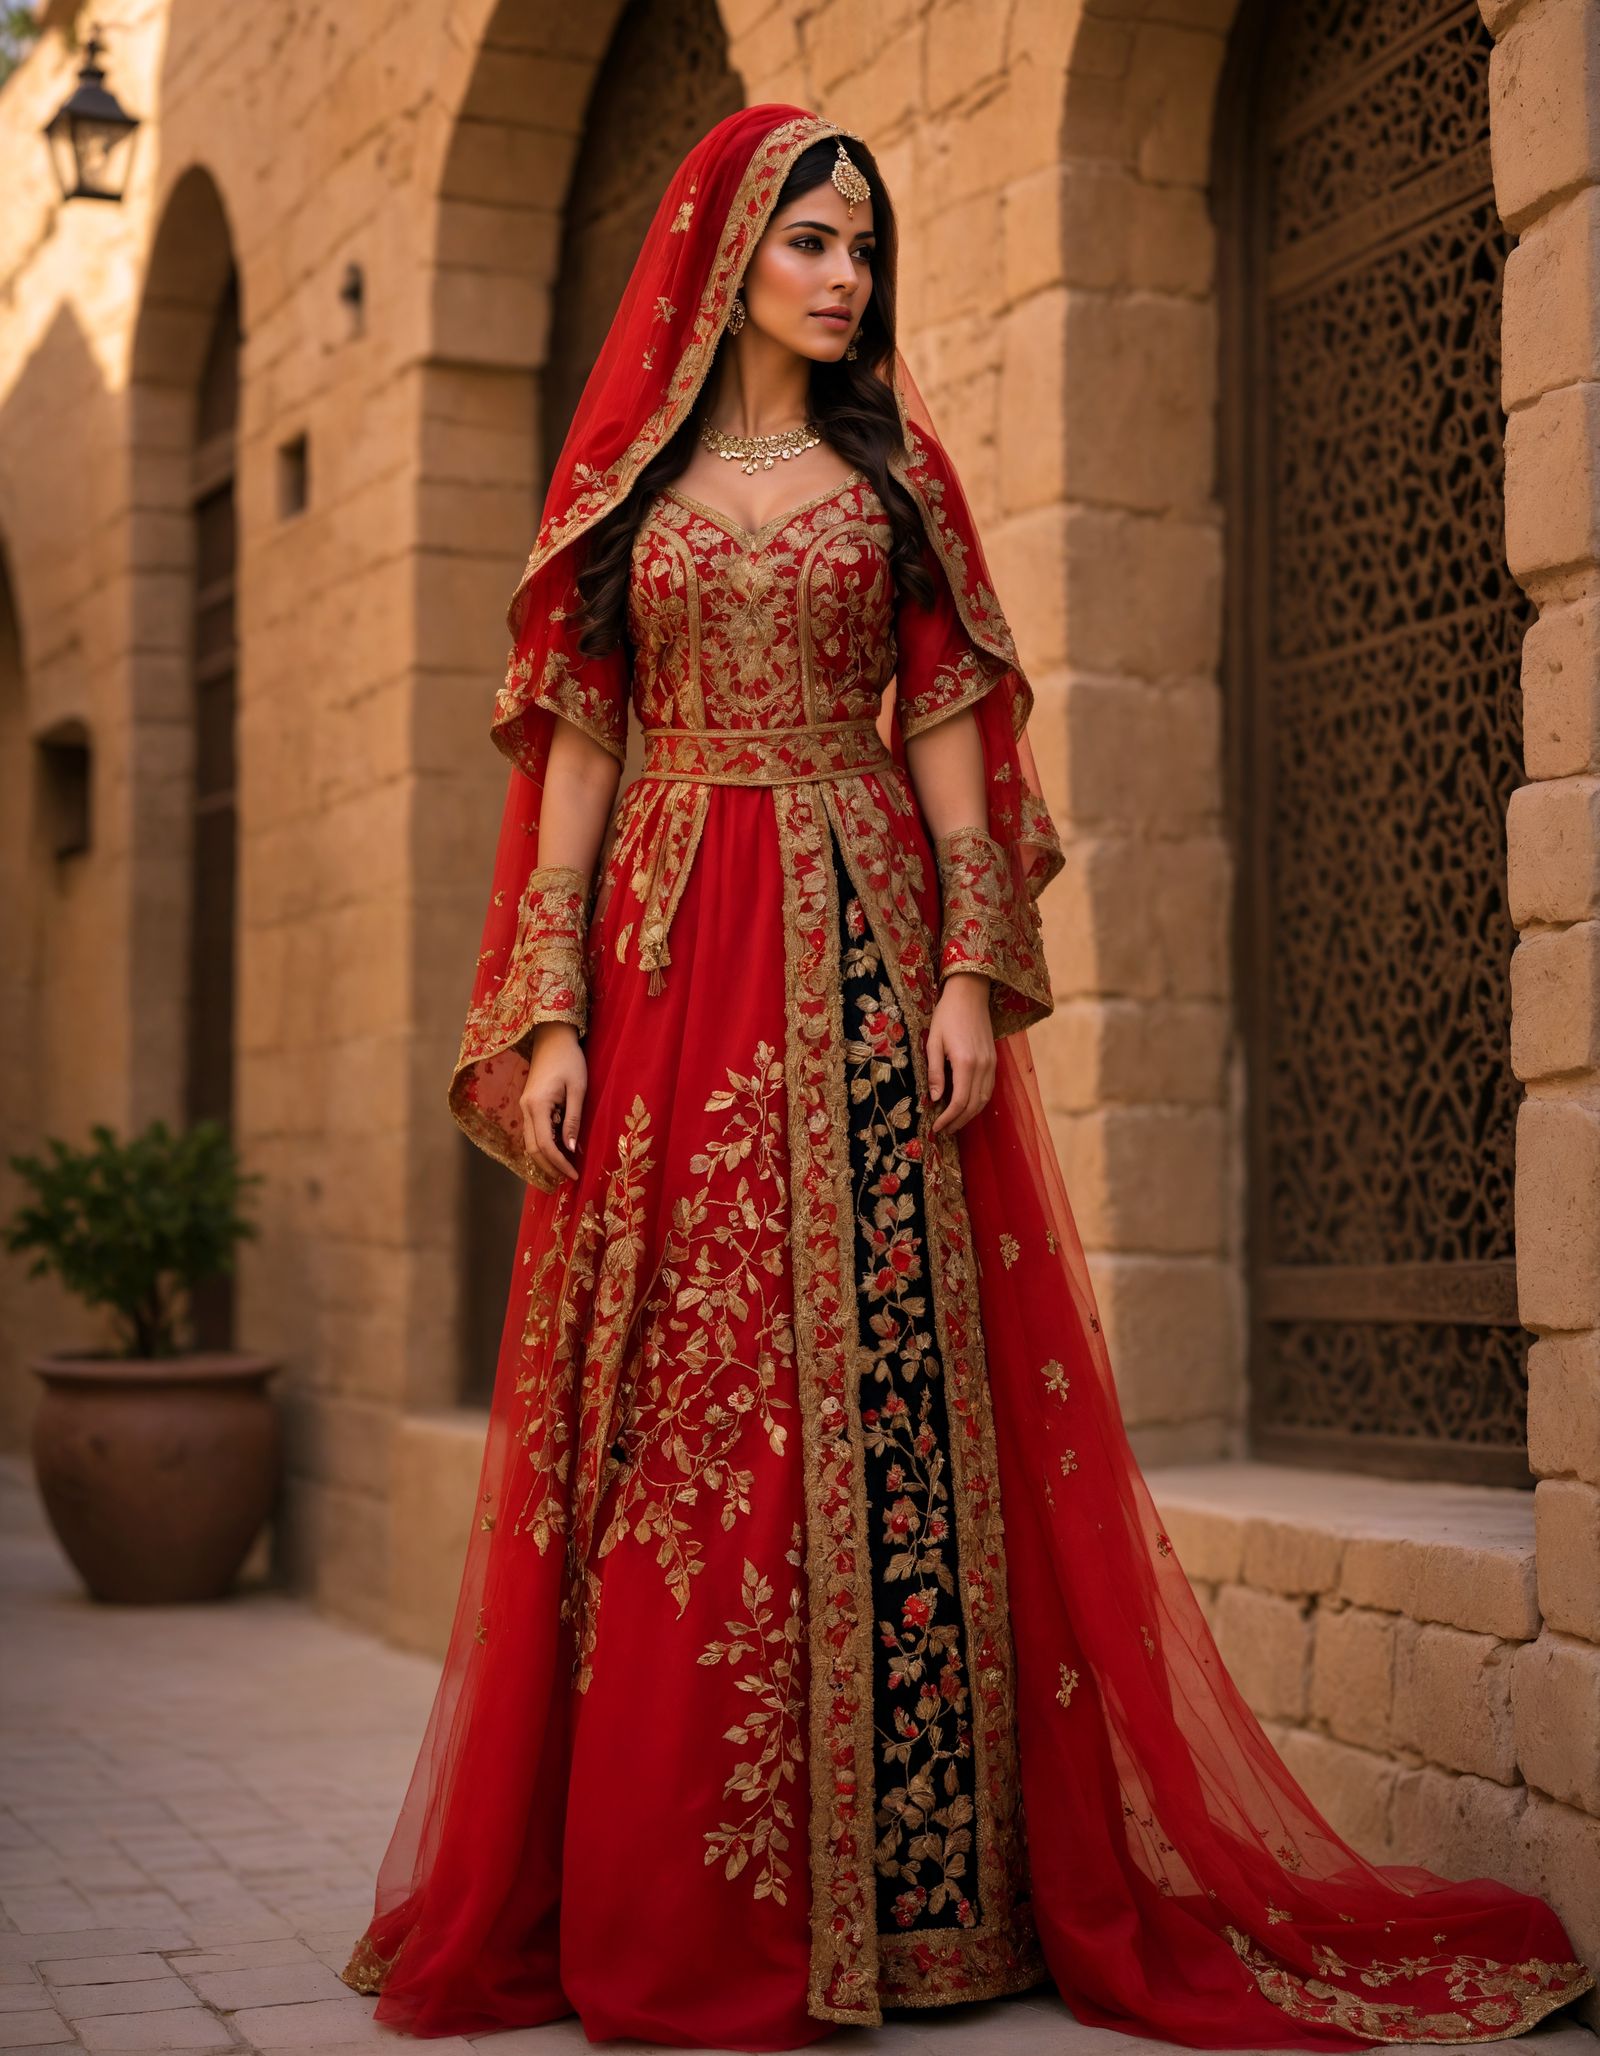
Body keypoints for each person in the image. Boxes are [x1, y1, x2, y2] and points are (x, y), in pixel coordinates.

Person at [339, 104, 1594, 2052]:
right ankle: (664, 1893)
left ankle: (923, 1900)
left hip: (844, 946)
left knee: (882, 1381)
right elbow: (577, 754)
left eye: (863, 249)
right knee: (677, 1402)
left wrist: (959, 968)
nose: (845, 279)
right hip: (670, 970)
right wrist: (553, 1006)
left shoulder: (892, 480)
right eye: (814, 243)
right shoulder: (630, 493)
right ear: (726, 253)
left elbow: (948, 728)